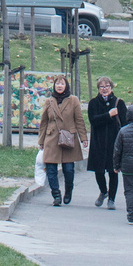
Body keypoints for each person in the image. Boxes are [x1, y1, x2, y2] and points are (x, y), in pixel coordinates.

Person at [38, 77, 86, 206]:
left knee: (69, 169)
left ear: (66, 85)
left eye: (62, 83)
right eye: (57, 83)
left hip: (68, 139)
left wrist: (83, 138)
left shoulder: (73, 100)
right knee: (51, 169)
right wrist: (41, 140)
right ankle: (56, 194)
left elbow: (79, 120)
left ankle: (68, 190)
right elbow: (44, 122)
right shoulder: (49, 101)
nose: (59, 86)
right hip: (52, 138)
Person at [85, 77, 123, 207]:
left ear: (111, 88)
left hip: (114, 142)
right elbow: (93, 120)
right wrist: (108, 115)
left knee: (113, 171)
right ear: (98, 89)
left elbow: (125, 123)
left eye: (107, 86)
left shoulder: (118, 102)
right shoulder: (93, 103)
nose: (105, 89)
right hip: (98, 142)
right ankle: (103, 191)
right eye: (102, 87)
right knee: (99, 171)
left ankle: (111, 199)